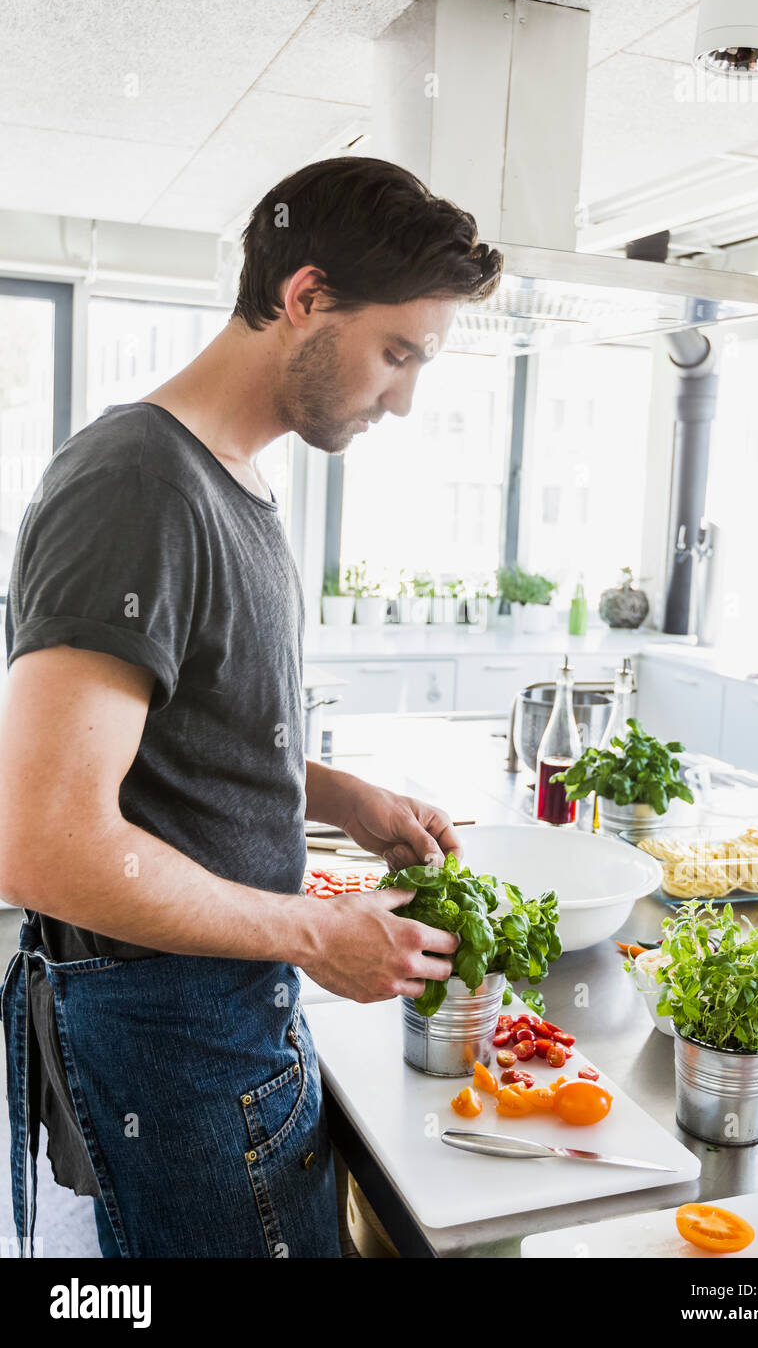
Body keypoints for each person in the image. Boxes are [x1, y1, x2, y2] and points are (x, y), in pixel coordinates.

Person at [0, 157, 503, 1258]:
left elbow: (183, 731)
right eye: (397, 353)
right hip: (174, 1048)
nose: (405, 396)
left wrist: (336, 794)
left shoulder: (233, 480)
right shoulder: (136, 483)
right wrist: (318, 931)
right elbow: (40, 844)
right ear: (306, 297)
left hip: (232, 1022)